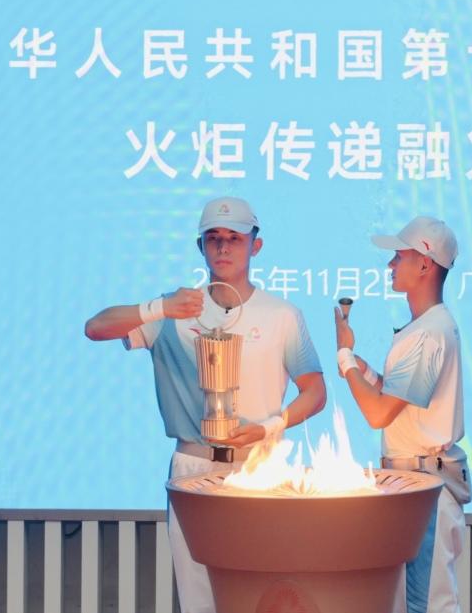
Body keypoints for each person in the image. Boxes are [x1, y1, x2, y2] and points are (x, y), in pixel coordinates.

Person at [85, 196, 326, 613]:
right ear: (200, 246)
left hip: (259, 467)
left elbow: (316, 392)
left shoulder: (282, 315)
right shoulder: (176, 308)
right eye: (213, 238)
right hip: (194, 468)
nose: (223, 247)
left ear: (256, 245)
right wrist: (158, 307)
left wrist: (269, 426)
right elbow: (95, 328)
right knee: (199, 598)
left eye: (234, 238)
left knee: (263, 594)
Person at [334, 215, 471, 613]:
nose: (390, 265)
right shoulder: (426, 327)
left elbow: (378, 414)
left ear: (425, 264)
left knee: (426, 605)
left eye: (399, 256)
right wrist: (363, 369)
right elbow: (397, 401)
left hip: (425, 488)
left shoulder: (429, 332)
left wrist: (344, 357)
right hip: (416, 485)